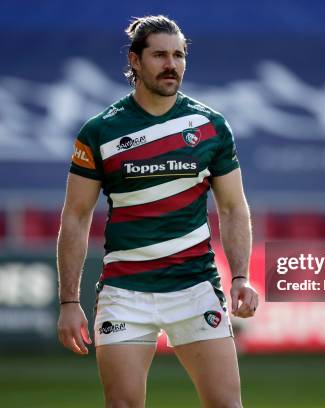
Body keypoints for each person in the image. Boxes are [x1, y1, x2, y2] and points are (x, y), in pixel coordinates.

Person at [57, 15, 258, 408]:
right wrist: (68, 302)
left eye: (179, 55)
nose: (172, 64)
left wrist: (240, 276)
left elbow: (233, 208)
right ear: (135, 61)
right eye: (160, 55)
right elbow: (75, 217)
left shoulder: (210, 126)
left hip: (195, 286)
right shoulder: (100, 132)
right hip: (125, 292)